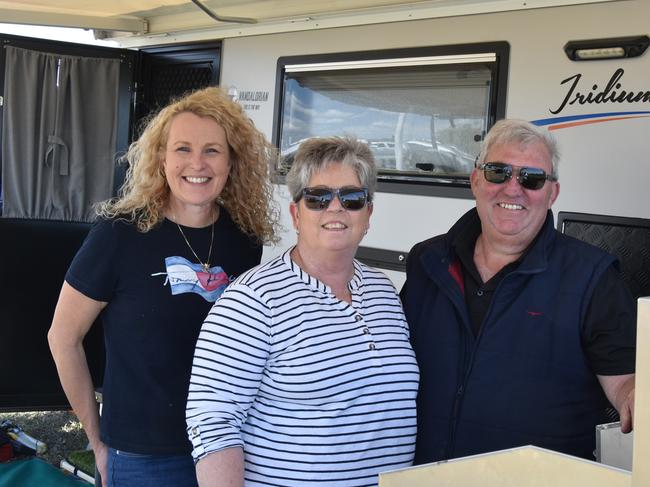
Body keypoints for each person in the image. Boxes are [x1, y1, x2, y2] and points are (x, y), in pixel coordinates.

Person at [48, 86, 279, 487]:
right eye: (182, 149)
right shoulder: (119, 234)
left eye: (212, 150)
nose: (197, 163)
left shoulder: (243, 239)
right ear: (161, 157)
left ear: (231, 162)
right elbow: (63, 337)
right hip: (142, 454)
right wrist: (97, 440)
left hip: (226, 445)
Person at [186, 136, 419, 486]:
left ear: (368, 214)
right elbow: (213, 424)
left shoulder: (383, 291)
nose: (336, 208)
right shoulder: (251, 300)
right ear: (296, 213)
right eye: (318, 198)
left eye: (353, 199)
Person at [401, 119, 636, 464]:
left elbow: (626, 381)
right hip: (420, 477)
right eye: (499, 172)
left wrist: (635, 396)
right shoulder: (428, 261)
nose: (513, 189)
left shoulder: (593, 276)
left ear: (552, 192)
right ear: (475, 180)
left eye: (532, 178)